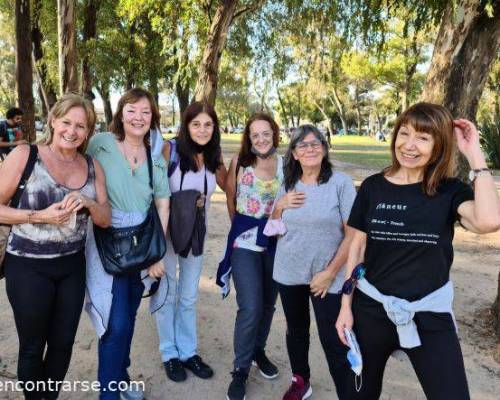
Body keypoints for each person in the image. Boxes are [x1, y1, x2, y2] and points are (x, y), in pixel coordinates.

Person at [335, 102, 500, 400]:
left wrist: (475, 153)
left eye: (423, 138)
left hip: (428, 313)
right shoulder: (373, 187)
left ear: (438, 145)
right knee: (358, 394)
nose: (409, 145)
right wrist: (346, 307)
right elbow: (357, 248)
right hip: (371, 309)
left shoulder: (449, 191)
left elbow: (489, 221)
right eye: (405, 134)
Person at [0, 93, 110, 399]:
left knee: (62, 344)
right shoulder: (25, 156)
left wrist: (88, 202)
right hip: (27, 266)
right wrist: (39, 216)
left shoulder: (91, 167)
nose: (72, 131)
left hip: (72, 267)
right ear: (52, 121)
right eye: (66, 122)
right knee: (33, 346)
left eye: (81, 126)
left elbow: (105, 219)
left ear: (88, 131)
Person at [84, 88, 170, 400]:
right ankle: (108, 395)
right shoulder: (101, 144)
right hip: (107, 242)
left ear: (153, 118)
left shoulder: (154, 156)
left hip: (142, 246)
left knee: (130, 315)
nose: (138, 117)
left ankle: (120, 379)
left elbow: (162, 204)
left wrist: (157, 254)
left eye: (145, 112)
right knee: (115, 323)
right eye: (132, 110)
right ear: (121, 113)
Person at [268, 125, 356, 400]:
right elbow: (273, 228)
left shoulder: (340, 183)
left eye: (315, 142)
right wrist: (279, 206)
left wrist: (330, 273)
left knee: (334, 338)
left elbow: (353, 235)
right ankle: (300, 380)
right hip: (289, 270)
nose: (310, 148)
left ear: (324, 147)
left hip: (328, 276)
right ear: (293, 153)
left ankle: (348, 391)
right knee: (296, 330)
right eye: (302, 145)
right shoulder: (287, 185)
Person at [155, 101, 227, 383]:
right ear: (186, 126)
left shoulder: (213, 155)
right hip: (168, 234)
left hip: (196, 235)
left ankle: (188, 352)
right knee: (167, 292)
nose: (202, 129)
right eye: (196, 124)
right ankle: (169, 354)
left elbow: (231, 187)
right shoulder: (169, 150)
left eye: (208, 124)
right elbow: (153, 190)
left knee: (188, 296)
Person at [217, 113, 283, 400]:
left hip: (277, 242)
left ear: (274, 133)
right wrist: (240, 228)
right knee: (251, 305)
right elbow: (231, 199)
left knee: (269, 303)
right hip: (245, 241)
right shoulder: (240, 163)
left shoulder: (286, 163)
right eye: (255, 134)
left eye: (265, 133)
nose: (260, 138)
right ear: (248, 137)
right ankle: (240, 370)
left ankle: (258, 349)